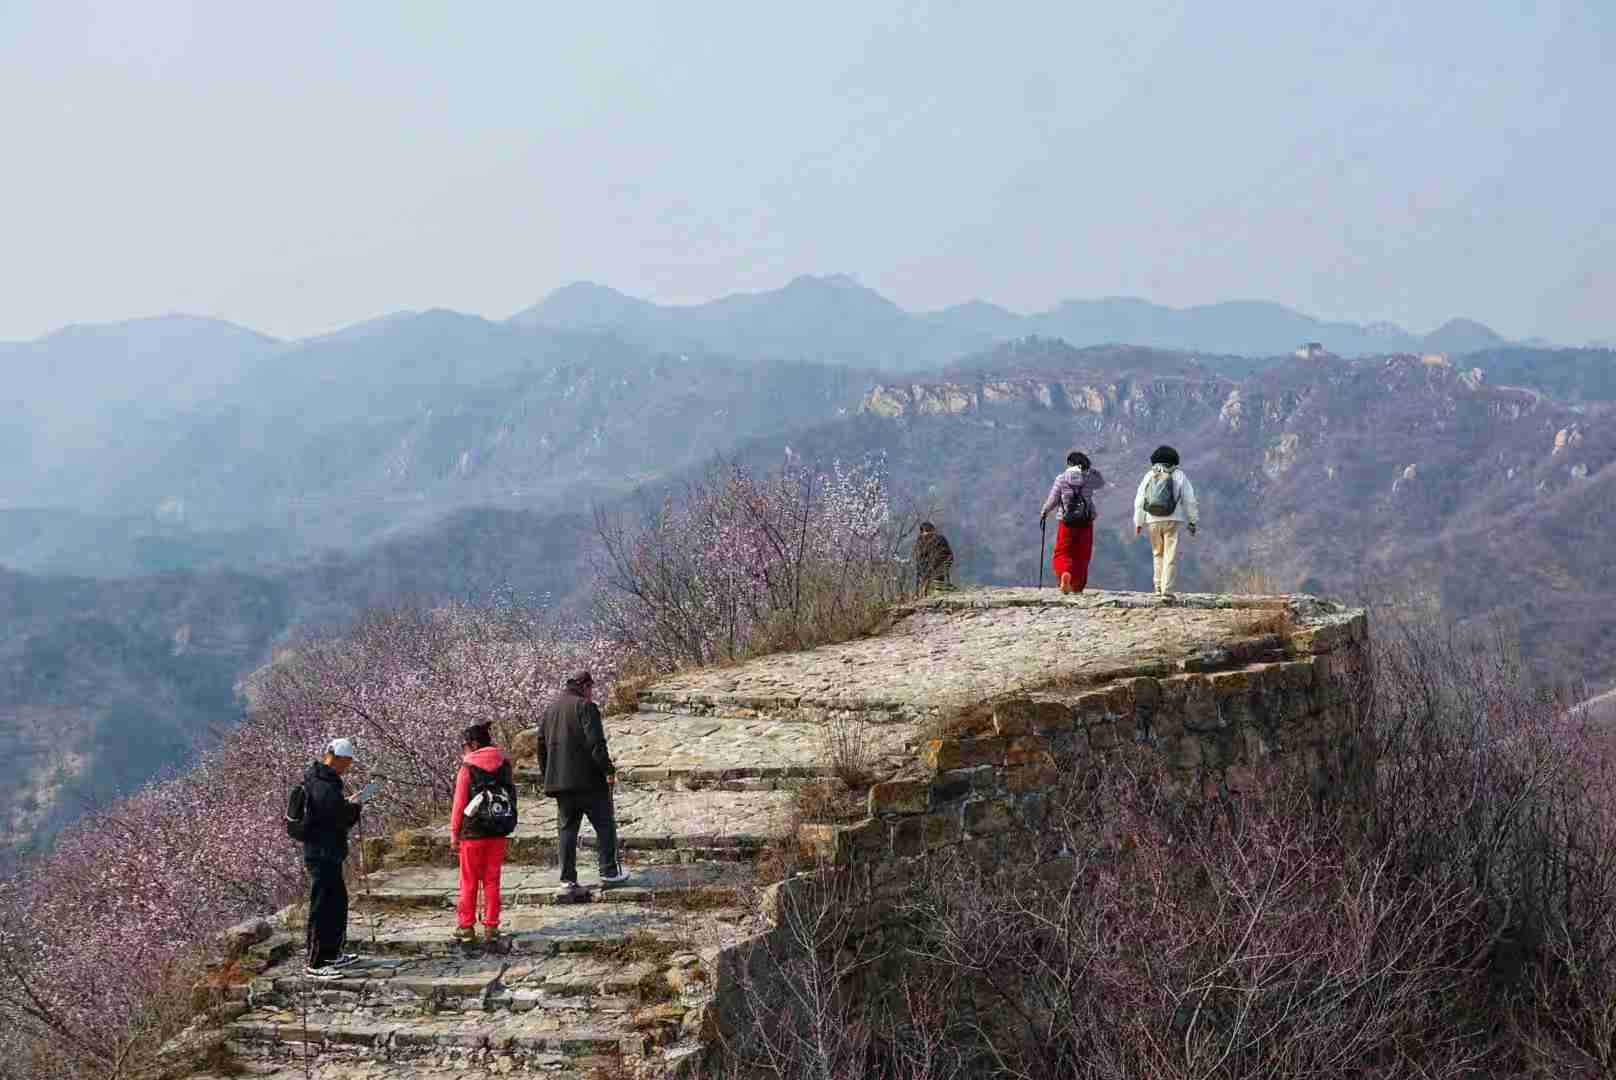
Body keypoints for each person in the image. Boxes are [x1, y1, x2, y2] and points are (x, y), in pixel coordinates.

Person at [536, 671, 629, 896]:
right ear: (585, 686)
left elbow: (541, 746)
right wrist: (608, 769)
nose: (592, 693)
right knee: (605, 825)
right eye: (591, 688)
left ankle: (567, 879)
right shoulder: (586, 707)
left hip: (561, 784)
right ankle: (609, 871)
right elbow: (596, 743)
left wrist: (548, 775)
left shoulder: (550, 710)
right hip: (589, 781)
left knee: (567, 830)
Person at [301, 737, 364, 980]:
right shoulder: (325, 785)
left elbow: (328, 811)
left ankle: (331, 953)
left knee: (336, 902)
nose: (347, 767)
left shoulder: (318, 779)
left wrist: (346, 804)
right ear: (336, 759)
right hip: (322, 853)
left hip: (325, 852)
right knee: (323, 906)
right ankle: (315, 962)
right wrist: (354, 807)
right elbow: (338, 819)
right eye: (346, 762)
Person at [450, 722, 516, 944]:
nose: (463, 749)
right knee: (492, 880)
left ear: (474, 744)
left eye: (464, 745)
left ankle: (466, 926)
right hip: (498, 830)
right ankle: (491, 925)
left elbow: (459, 805)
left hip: (473, 833)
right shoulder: (504, 765)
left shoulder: (467, 769)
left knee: (468, 881)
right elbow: (512, 796)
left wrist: (454, 834)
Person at [1133, 445, 1200, 596]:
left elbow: (1140, 500)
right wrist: (1192, 520)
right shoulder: (1179, 475)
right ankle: (1167, 590)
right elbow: (1190, 500)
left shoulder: (1150, 475)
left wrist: (1138, 522)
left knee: (1157, 553)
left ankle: (1157, 587)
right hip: (1172, 519)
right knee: (1170, 554)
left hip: (1152, 519)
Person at [1039, 450, 1106, 594]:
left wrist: (1044, 512)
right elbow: (1101, 482)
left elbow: (1053, 499)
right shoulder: (1089, 479)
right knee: (1082, 554)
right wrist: (1090, 470)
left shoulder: (1062, 478)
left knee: (1062, 552)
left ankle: (1065, 573)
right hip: (1086, 521)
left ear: (1069, 464)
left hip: (1067, 522)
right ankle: (1077, 586)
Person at [911, 522, 955, 595]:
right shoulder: (922, 540)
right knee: (934, 585)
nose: (928, 534)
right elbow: (919, 555)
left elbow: (947, 554)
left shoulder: (938, 539)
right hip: (932, 566)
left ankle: (934, 593)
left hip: (934, 566)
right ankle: (931, 593)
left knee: (935, 584)